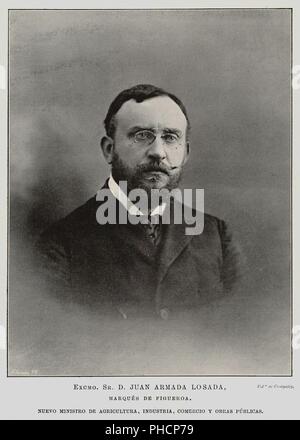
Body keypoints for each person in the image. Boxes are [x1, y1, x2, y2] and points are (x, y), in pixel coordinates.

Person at [36, 84, 242, 320]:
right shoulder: (60, 245)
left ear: (185, 153)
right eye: (141, 136)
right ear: (109, 150)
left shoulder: (217, 235)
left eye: (170, 137)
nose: (158, 152)